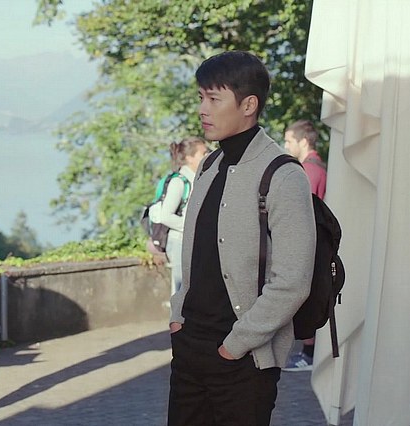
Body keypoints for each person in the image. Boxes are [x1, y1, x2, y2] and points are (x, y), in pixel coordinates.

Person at [167, 51, 316, 426]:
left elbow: (293, 281)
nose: (203, 109)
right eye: (201, 97)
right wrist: (178, 316)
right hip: (190, 347)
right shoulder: (208, 165)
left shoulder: (283, 175)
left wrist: (236, 345)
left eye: (214, 99)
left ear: (248, 105)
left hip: (244, 357)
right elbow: (196, 255)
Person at [282, 120, 328, 372]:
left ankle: (309, 355)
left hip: (312, 245)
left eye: (289, 140)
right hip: (317, 244)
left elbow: (301, 212)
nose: (286, 145)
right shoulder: (315, 167)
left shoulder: (309, 170)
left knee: (307, 300)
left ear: (303, 141)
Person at [158, 137, 209, 296]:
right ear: (189, 158)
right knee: (182, 292)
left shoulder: (198, 179)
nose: (208, 156)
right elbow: (165, 216)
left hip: (192, 241)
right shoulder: (179, 182)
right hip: (179, 242)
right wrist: (191, 226)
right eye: (203, 153)